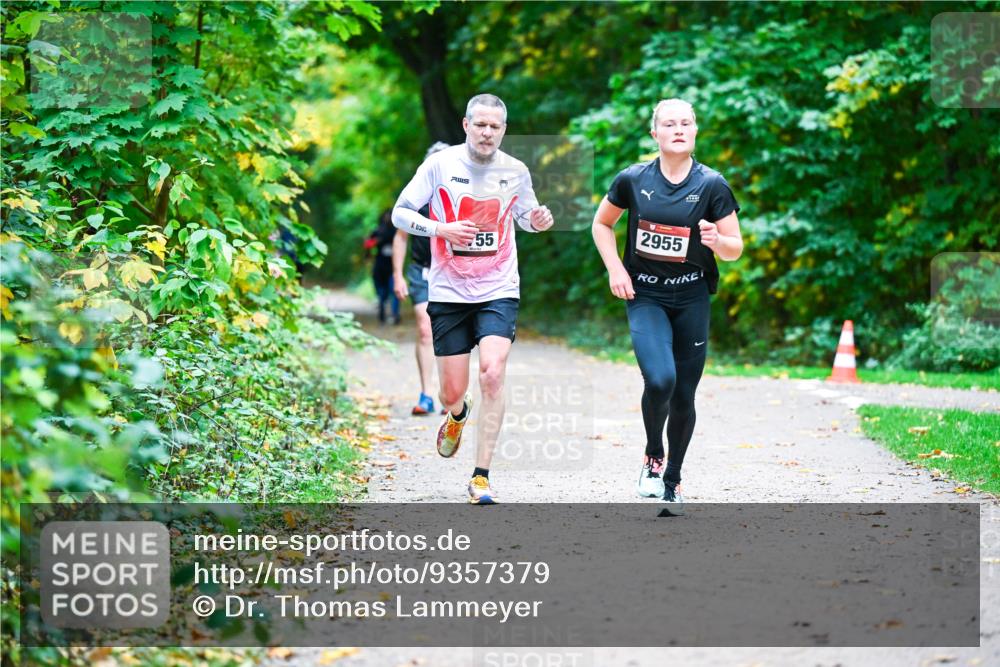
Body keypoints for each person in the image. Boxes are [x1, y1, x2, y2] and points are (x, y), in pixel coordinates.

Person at [392, 94, 554, 504]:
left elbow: (525, 216)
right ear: (466, 125)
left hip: (499, 287)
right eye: (480, 125)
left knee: (493, 373)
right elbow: (400, 213)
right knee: (451, 393)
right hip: (448, 290)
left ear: (504, 130)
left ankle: (481, 476)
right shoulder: (440, 165)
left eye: (495, 127)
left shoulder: (515, 171)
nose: (487, 133)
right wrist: (439, 230)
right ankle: (458, 414)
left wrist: (537, 221)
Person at [591, 98, 743, 515]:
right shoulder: (633, 179)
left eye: (686, 123)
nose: (679, 129)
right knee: (660, 380)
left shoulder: (712, 184)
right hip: (646, 296)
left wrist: (718, 241)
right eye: (669, 124)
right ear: (654, 133)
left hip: (692, 295)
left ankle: (672, 479)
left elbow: (735, 248)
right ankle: (652, 456)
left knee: (684, 394)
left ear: (695, 132)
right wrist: (614, 269)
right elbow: (602, 223)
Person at [392, 142, 451, 415]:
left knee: (450, 333)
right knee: (426, 329)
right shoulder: (416, 198)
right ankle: (426, 393)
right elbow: (401, 236)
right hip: (421, 271)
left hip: (453, 273)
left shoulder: (459, 197)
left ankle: (448, 394)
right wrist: (397, 276)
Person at [365, 210, 400, 325]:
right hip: (380, 267)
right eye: (386, 217)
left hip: (393, 268)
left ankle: (395, 315)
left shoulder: (396, 232)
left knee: (394, 292)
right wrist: (368, 255)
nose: (388, 219)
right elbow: (368, 245)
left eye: (390, 217)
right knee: (382, 294)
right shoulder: (377, 231)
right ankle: (383, 314)